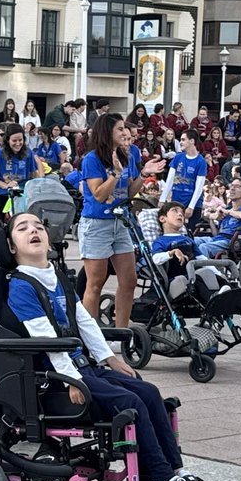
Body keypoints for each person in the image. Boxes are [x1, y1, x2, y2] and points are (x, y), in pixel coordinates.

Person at [4, 211, 211, 481]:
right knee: (130, 402)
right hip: (57, 377)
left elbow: (85, 322)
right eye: (23, 228)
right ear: (11, 246)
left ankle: (174, 472)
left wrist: (110, 359)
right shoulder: (21, 286)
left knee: (149, 392)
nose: (33, 230)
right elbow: (46, 339)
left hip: (83, 366)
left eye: (38, 226)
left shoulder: (57, 276)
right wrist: (71, 378)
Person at [78, 114, 161, 328]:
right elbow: (98, 194)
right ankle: (92, 336)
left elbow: (129, 192)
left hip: (121, 222)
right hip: (97, 223)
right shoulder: (92, 159)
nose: (125, 133)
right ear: (107, 132)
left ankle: (121, 333)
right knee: (95, 282)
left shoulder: (128, 155)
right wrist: (115, 174)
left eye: (125, 128)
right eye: (120, 129)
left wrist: (143, 174)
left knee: (129, 280)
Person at [0, 123, 37, 223]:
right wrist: (5, 185)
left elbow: (33, 173)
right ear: (8, 140)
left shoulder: (28, 153)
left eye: (20, 140)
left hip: (21, 195)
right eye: (14, 141)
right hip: (1, 194)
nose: (18, 143)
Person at [196, 177, 241, 258]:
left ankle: (200, 265)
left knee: (203, 247)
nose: (232, 189)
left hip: (232, 242)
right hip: (217, 239)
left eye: (237, 186)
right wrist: (211, 218)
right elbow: (216, 233)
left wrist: (227, 212)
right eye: (231, 185)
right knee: (191, 241)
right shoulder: (227, 208)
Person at [160, 129, 206, 232]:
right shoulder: (178, 157)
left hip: (193, 203)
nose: (180, 142)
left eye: (183, 139)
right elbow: (169, 180)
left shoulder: (201, 161)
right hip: (176, 201)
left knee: (189, 233)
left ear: (192, 141)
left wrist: (191, 207)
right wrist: (162, 199)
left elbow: (199, 187)